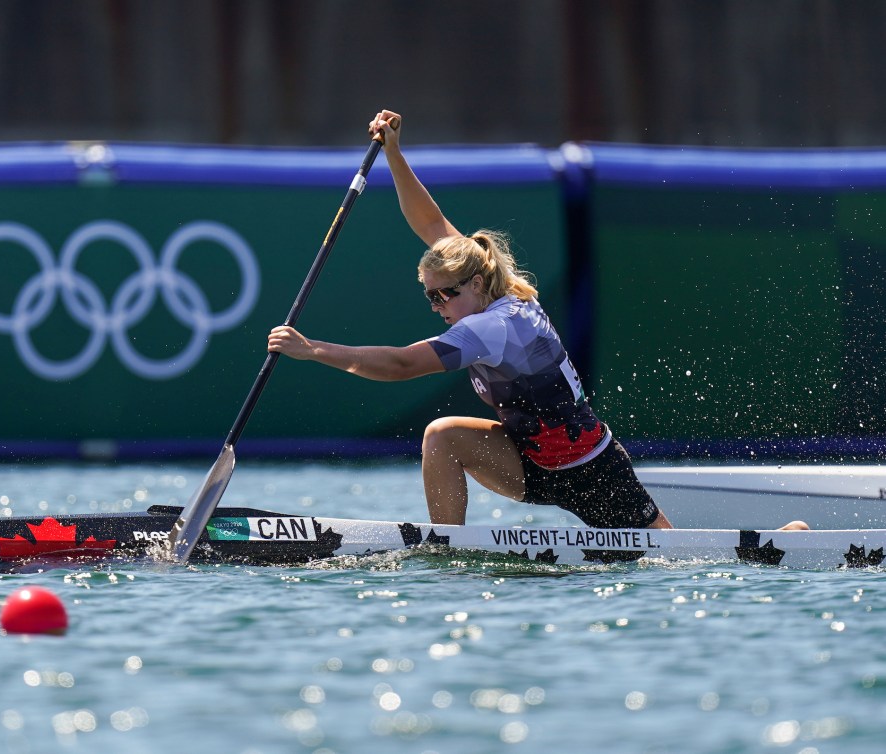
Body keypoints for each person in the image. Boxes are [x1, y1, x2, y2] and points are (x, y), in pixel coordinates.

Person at [269, 109, 806, 532]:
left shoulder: (493, 326)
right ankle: (447, 549)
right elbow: (430, 222)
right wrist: (394, 154)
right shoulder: (480, 284)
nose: (439, 306)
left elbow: (400, 365)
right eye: (430, 298)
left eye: (445, 296)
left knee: (668, 562)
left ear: (476, 286)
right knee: (443, 436)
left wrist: (315, 350)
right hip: (529, 458)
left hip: (591, 468)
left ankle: (792, 535)